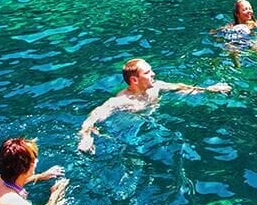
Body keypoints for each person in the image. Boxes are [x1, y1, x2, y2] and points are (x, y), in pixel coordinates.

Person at [77, 58, 232, 154]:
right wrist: (85, 137)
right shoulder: (120, 101)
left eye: (151, 70)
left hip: (150, 126)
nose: (153, 74)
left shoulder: (156, 87)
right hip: (125, 133)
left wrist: (209, 90)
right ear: (134, 80)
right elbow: (93, 117)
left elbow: (180, 88)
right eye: (147, 72)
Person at [0, 138, 68, 205]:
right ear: (28, 167)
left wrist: (40, 176)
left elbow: (14, 180)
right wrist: (55, 195)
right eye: (34, 159)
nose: (36, 161)